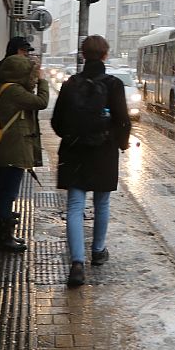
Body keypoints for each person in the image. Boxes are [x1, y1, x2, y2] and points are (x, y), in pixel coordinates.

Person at [51, 35, 131, 287]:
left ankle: (77, 263)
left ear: (82, 55)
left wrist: (72, 137)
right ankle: (98, 251)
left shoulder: (70, 83)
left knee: (75, 206)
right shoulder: (114, 84)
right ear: (105, 55)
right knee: (102, 202)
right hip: (104, 151)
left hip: (75, 151)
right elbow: (123, 120)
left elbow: (56, 121)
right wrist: (120, 143)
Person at [0, 54, 49, 251]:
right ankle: (4, 238)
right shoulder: (14, 91)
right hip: (13, 152)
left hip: (8, 149)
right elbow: (41, 101)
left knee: (3, 190)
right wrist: (42, 81)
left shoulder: (6, 87)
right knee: (8, 193)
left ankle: (4, 234)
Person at [0, 37, 37, 227]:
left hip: (4, 135)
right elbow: (39, 102)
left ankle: (1, 215)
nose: (27, 56)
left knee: (1, 180)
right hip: (12, 139)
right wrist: (39, 80)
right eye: (24, 51)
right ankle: (2, 225)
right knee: (7, 185)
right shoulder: (11, 85)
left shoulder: (2, 74)